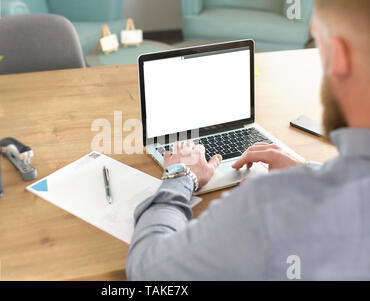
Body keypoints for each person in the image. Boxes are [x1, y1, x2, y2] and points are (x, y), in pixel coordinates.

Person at [126, 0, 370, 280]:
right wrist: (309, 171)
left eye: (319, 42)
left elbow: (147, 271)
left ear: (338, 56)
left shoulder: (268, 208)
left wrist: (179, 175)